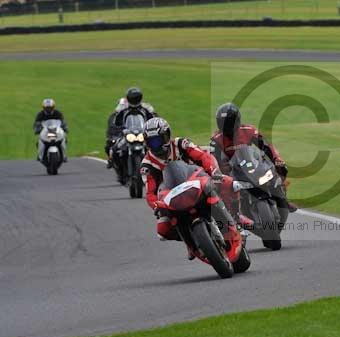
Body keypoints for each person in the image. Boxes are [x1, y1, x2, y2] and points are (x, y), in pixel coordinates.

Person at [140, 117, 241, 260]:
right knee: (162, 229)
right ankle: (191, 240)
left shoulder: (181, 144)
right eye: (152, 142)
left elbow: (202, 156)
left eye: (158, 140)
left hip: (196, 180)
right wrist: (156, 205)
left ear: (166, 136)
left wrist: (213, 171)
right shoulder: (147, 165)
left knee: (229, 183)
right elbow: (150, 192)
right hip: (171, 196)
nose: (156, 145)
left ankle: (235, 217)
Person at [210, 102, 297, 212]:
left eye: (229, 123)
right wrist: (220, 171)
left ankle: (283, 200)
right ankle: (228, 213)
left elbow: (266, 145)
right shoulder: (216, 139)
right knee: (217, 187)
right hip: (231, 171)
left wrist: (276, 158)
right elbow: (213, 159)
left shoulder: (248, 130)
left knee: (278, 170)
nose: (227, 127)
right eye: (224, 124)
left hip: (250, 165)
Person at [105, 98, 128, 167]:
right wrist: (111, 136)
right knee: (108, 146)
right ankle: (110, 159)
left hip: (129, 136)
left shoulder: (132, 115)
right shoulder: (113, 116)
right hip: (117, 136)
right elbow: (110, 127)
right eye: (122, 106)